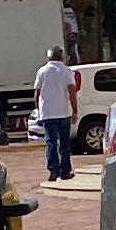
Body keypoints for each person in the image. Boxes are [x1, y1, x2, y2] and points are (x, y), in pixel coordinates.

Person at [33, 48, 80, 182]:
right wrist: (74, 111)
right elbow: (72, 92)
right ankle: (65, 171)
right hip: (63, 112)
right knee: (64, 143)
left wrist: (38, 109)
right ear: (62, 57)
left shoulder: (42, 71)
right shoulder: (66, 71)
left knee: (51, 143)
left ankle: (53, 171)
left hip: (47, 113)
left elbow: (37, 93)